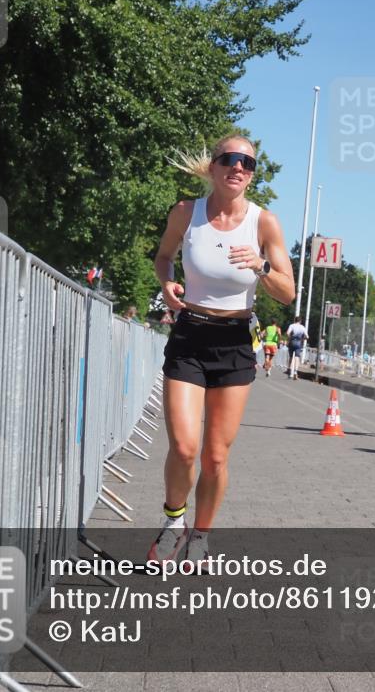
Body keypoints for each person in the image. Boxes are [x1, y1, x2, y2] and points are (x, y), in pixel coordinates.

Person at [149, 135, 295, 564]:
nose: (238, 168)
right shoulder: (185, 213)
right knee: (184, 447)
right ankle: (174, 520)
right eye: (230, 160)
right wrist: (167, 283)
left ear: (252, 175)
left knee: (214, 457)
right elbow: (162, 256)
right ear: (212, 167)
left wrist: (261, 266)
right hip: (189, 336)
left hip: (233, 343)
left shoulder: (264, 222)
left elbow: (287, 292)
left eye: (247, 163)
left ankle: (201, 537)